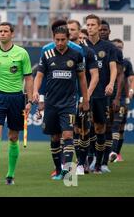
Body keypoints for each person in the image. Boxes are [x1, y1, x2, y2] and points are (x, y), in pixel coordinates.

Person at [0, 22, 33, 185]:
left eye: (5, 31)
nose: (2, 33)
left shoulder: (22, 54)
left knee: (13, 137)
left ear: (12, 34)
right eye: (0, 31)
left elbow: (29, 78)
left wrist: (29, 100)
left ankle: (10, 174)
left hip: (16, 98)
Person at [33, 25, 89, 180]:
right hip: (51, 103)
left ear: (68, 39)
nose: (59, 43)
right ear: (53, 38)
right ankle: (58, 171)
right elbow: (39, 75)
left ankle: (68, 173)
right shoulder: (47, 54)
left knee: (68, 135)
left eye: (62, 40)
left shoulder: (76, 54)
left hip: (69, 102)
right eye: (57, 40)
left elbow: (82, 78)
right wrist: (36, 91)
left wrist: (85, 99)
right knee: (55, 138)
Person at [84, 14, 117, 174]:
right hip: (85, 94)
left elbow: (113, 68)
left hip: (101, 94)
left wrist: (111, 83)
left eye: (92, 24)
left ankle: (99, 164)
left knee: (99, 128)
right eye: (88, 24)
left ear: (98, 27)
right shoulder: (81, 46)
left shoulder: (108, 47)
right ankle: (86, 161)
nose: (90, 27)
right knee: (84, 128)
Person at [67, 19, 99, 175]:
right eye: (68, 29)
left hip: (83, 98)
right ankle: (69, 164)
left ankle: (81, 163)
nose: (70, 32)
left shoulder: (87, 52)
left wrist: (85, 96)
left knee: (84, 131)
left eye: (73, 29)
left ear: (79, 31)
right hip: (66, 99)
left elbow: (95, 76)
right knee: (70, 132)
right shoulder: (59, 50)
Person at [98, 20, 125, 172]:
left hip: (110, 95)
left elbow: (120, 74)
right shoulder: (90, 48)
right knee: (93, 129)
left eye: (104, 29)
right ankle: (92, 159)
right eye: (100, 29)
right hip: (94, 95)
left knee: (107, 128)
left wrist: (117, 97)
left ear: (109, 31)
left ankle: (103, 163)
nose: (102, 31)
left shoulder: (115, 50)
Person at [109, 39, 134, 163]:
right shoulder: (109, 62)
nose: (119, 48)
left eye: (121, 46)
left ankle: (116, 153)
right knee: (110, 126)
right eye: (116, 46)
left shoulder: (126, 64)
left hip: (122, 98)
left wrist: (130, 92)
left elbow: (131, 79)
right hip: (108, 97)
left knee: (120, 127)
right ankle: (111, 152)